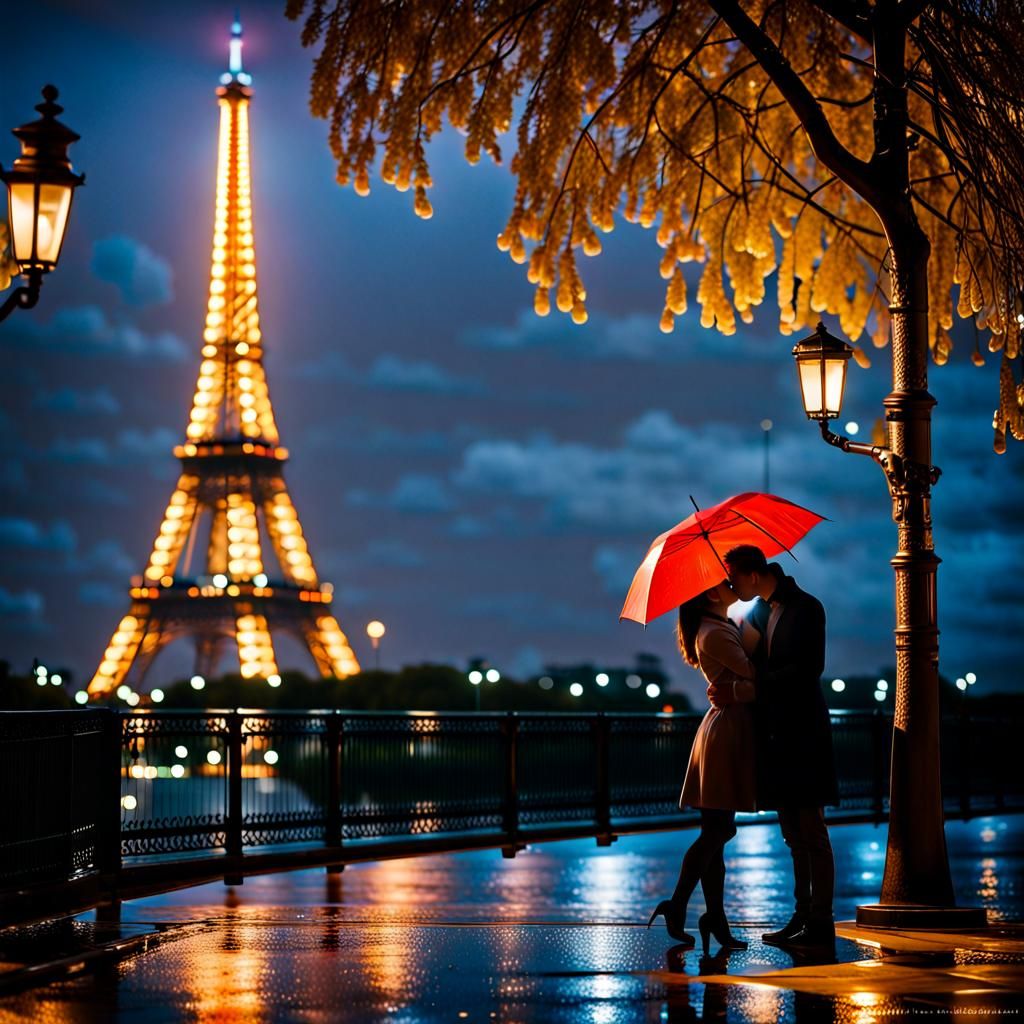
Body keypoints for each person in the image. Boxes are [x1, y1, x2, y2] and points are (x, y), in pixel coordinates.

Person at [711, 544, 838, 950]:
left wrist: (750, 687)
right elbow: (753, 662)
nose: (731, 586)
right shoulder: (764, 611)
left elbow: (807, 670)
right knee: (794, 834)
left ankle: (821, 921)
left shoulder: (805, 607)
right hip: (779, 734)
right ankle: (804, 916)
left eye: (733, 578)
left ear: (752, 574)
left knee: (811, 831)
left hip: (803, 732)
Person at [648, 579, 756, 955]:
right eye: (725, 582)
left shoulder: (715, 627)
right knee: (719, 830)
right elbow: (755, 675)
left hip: (724, 729)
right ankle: (679, 905)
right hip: (726, 733)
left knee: (715, 832)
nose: (732, 584)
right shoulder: (715, 633)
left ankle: (712, 917)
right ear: (711, 593)